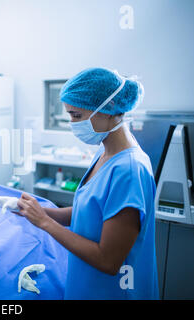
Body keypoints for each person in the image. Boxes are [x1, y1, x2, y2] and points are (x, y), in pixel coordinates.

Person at [14, 67, 159, 299]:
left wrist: (45, 223)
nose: (72, 123)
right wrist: (45, 212)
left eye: (77, 116)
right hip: (88, 284)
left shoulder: (129, 171)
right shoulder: (104, 153)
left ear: (109, 108)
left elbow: (108, 261)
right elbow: (89, 211)